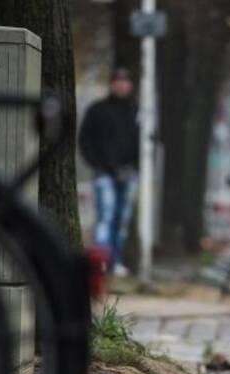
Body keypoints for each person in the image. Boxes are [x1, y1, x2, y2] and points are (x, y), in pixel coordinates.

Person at [79, 67, 139, 276]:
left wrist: (135, 167)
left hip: (129, 174)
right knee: (106, 216)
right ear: (112, 84)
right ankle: (102, 262)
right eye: (118, 81)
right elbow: (85, 140)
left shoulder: (137, 111)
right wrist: (97, 164)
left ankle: (114, 261)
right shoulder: (97, 111)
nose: (122, 85)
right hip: (104, 173)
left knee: (121, 220)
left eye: (125, 81)